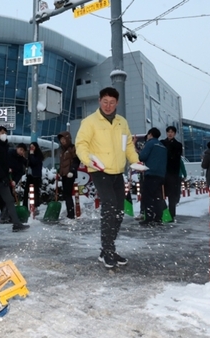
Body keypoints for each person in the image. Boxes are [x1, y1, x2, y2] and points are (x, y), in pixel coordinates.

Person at [75, 87, 139, 268]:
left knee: (119, 212)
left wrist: (135, 161)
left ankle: (107, 249)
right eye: (105, 102)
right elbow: (81, 144)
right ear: (99, 101)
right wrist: (88, 160)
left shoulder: (121, 122)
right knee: (109, 206)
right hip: (99, 170)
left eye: (112, 102)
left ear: (117, 103)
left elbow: (127, 145)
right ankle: (108, 250)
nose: (108, 106)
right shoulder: (90, 122)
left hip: (117, 171)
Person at [0, 126, 30, 234]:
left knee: (9, 200)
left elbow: (4, 163)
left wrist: (6, 176)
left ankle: (16, 224)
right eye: (2, 132)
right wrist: (2, 176)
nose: (4, 134)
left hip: (3, 179)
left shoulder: (4, 146)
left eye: (5, 132)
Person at [138, 128, 167, 226]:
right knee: (158, 197)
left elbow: (142, 157)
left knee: (148, 197)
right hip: (161, 174)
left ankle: (149, 218)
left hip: (150, 173)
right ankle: (158, 218)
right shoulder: (163, 146)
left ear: (150, 134)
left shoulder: (150, 143)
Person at [160, 126, 183, 222]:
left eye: (172, 132)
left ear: (175, 134)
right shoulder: (161, 143)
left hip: (173, 172)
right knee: (161, 193)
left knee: (172, 195)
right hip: (162, 172)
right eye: (168, 132)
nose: (170, 133)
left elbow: (176, 158)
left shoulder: (178, 145)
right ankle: (162, 213)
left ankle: (172, 214)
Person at [0, 143, 27, 223]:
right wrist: (7, 168)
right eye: (21, 149)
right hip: (4, 178)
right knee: (5, 198)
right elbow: (2, 162)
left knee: (10, 198)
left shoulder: (21, 160)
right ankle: (4, 216)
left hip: (12, 180)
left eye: (23, 151)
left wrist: (15, 181)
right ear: (17, 148)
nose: (22, 152)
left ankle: (8, 215)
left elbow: (20, 172)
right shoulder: (9, 153)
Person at [57, 131, 80, 219]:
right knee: (66, 194)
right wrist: (59, 171)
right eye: (61, 140)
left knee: (68, 194)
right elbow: (62, 163)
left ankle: (71, 214)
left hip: (70, 174)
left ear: (68, 139)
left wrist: (72, 171)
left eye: (64, 139)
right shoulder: (62, 150)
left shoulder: (72, 148)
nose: (62, 141)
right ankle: (69, 213)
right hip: (64, 174)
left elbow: (76, 160)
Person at [22, 142, 44, 210]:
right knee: (26, 191)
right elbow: (28, 164)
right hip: (30, 175)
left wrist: (31, 155)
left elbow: (34, 162)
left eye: (33, 147)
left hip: (36, 176)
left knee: (35, 191)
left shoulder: (38, 155)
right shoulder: (30, 155)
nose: (31, 148)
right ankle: (24, 205)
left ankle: (36, 205)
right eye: (30, 147)